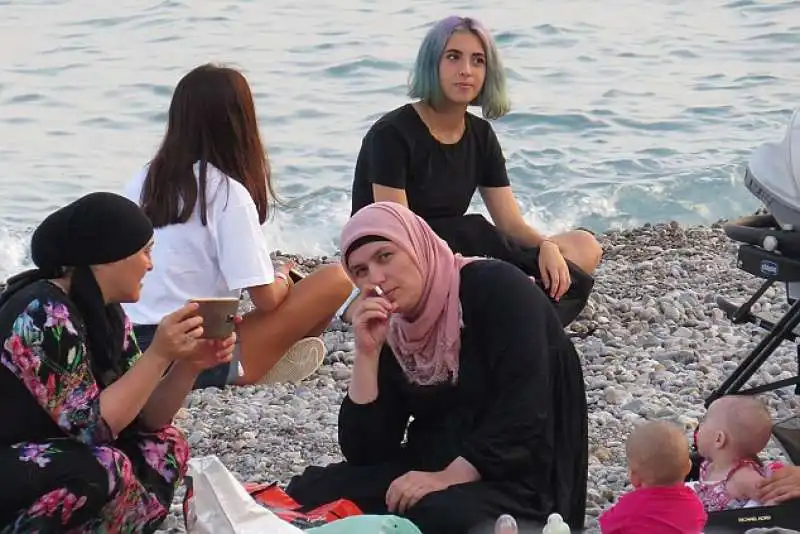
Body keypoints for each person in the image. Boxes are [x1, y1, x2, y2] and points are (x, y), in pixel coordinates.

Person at [284, 202, 589, 534]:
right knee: (311, 489)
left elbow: (527, 411)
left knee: (433, 513)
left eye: (385, 256)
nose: (377, 278)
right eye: (361, 271)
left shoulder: (498, 288)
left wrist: (447, 479)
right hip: (435, 463)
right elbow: (368, 452)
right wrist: (367, 354)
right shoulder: (398, 324)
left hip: (525, 477)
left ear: (417, 246)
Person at [0, 192, 236, 531]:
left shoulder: (105, 312)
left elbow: (147, 419)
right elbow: (92, 429)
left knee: (165, 447)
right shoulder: (43, 311)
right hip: (12, 455)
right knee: (102, 467)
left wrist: (189, 364)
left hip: (53, 456)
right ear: (106, 257)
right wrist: (159, 354)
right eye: (144, 252)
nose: (150, 265)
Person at [348, 16, 602, 326]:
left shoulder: (481, 135)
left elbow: (510, 224)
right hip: (401, 258)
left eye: (478, 60)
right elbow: (396, 230)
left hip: (457, 253)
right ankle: (508, 309)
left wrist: (546, 247)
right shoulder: (392, 132)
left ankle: (502, 310)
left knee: (583, 247)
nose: (466, 70)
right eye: (453, 57)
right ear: (433, 63)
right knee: (476, 238)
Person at [123, 64, 353, 389]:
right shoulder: (225, 192)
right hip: (194, 358)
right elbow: (266, 300)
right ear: (240, 124)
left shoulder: (142, 181)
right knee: (335, 279)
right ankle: (266, 363)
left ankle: (273, 354)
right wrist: (282, 278)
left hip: (131, 351)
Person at [598, 421, 707, 534]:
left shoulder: (630, 506)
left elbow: (606, 525)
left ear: (635, 478)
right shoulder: (694, 503)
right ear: (688, 467)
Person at [690, 395, 776, 511]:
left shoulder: (742, 476)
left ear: (719, 439)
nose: (699, 427)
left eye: (703, 422)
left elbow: (773, 496)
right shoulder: (709, 465)